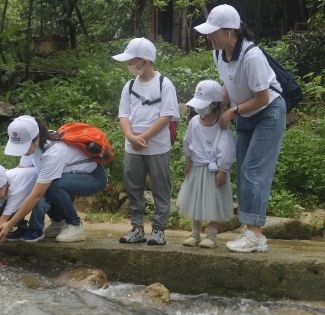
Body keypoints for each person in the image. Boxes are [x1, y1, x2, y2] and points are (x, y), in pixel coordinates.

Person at [194, 4, 287, 253]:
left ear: (229, 31)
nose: (208, 36)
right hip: (245, 114)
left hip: (268, 114)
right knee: (244, 170)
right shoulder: (219, 53)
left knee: (254, 171)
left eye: (213, 31)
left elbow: (263, 98)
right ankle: (251, 231)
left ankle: (255, 235)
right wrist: (218, 108)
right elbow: (229, 85)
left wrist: (233, 111)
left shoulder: (252, 56)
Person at [0, 115, 107, 245]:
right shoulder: (34, 147)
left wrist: (10, 223)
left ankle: (75, 225)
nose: (23, 152)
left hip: (93, 177)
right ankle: (59, 222)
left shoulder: (52, 152)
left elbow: (37, 195)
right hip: (69, 177)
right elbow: (20, 170)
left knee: (52, 186)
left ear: (37, 138)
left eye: (24, 147)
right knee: (40, 182)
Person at [112, 37, 180, 245]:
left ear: (145, 60)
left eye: (132, 61)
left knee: (161, 188)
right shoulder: (129, 86)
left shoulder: (164, 84)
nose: (129, 65)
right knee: (134, 187)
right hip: (132, 147)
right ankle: (137, 227)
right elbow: (123, 115)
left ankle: (159, 230)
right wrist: (131, 137)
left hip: (157, 146)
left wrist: (143, 137)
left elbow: (166, 116)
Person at [177, 80, 235, 248]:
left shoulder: (221, 124)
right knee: (196, 200)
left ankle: (212, 235)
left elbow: (227, 146)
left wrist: (223, 169)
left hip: (215, 170)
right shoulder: (194, 121)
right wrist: (188, 161)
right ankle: (194, 233)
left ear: (215, 104)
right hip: (197, 168)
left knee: (214, 202)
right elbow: (187, 142)